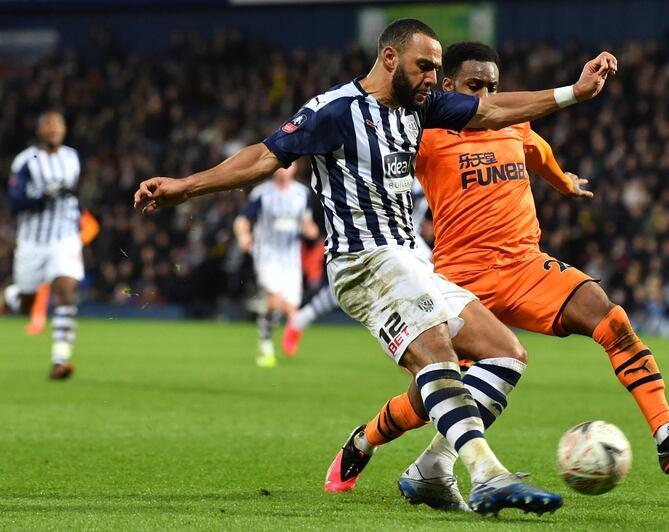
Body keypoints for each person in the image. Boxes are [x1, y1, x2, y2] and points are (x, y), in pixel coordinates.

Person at [134, 18, 618, 516]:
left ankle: (430, 472)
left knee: (506, 354)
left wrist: (574, 93)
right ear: (390, 58)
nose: (433, 77)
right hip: (363, 261)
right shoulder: (334, 111)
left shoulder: (423, 107)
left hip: (410, 259)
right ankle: (488, 475)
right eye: (424, 66)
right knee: (436, 353)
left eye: (436, 68)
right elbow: (264, 157)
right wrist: (185, 186)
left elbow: (493, 109)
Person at [323, 42, 669, 511]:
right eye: (475, 86)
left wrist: (565, 183)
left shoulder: (513, 123)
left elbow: (539, 155)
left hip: (524, 266)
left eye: (493, 87)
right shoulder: (423, 131)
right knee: (432, 393)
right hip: (460, 278)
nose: (487, 94)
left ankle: (668, 435)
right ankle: (365, 441)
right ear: (449, 86)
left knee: (610, 318)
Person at [281, 179, 431, 355]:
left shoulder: (426, 172)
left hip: (408, 236)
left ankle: (416, 334)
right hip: (381, 232)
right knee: (353, 283)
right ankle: (414, 335)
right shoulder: (394, 165)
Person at [4, 110, 84, 379]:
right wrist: (40, 196)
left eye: (58, 124)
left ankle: (60, 359)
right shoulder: (27, 161)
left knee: (66, 291)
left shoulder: (72, 157)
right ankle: (10, 296)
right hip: (33, 240)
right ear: (39, 130)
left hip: (65, 236)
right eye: (48, 124)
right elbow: (15, 201)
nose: (54, 128)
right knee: (27, 305)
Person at [234, 163, 319, 367]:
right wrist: (243, 235)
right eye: (280, 166)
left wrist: (311, 230)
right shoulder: (262, 194)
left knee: (290, 309)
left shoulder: (302, 194)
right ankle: (265, 346)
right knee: (274, 300)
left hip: (291, 258)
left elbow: (306, 221)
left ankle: (265, 331)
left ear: (294, 169)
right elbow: (242, 219)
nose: (283, 170)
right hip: (267, 255)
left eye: (287, 166)